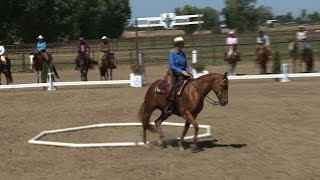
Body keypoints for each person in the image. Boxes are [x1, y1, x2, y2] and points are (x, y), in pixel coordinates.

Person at [164, 37, 191, 115]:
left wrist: (189, 71)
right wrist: (182, 71)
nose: (183, 44)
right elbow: (172, 66)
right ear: (178, 44)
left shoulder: (183, 53)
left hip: (182, 73)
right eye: (182, 43)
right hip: (173, 74)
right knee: (171, 88)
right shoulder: (172, 53)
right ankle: (168, 106)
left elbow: (186, 65)